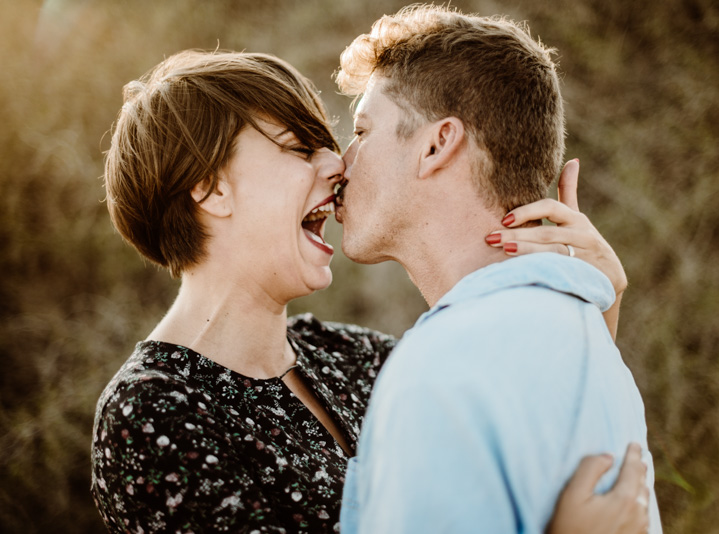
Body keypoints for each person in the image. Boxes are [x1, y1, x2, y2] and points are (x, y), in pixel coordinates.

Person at [91, 49, 647, 534]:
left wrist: (595, 307)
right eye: (297, 148)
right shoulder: (150, 411)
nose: (336, 164)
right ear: (212, 187)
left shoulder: (360, 356)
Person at [334, 5, 661, 533]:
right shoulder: (599, 356)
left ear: (437, 144)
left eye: (362, 131)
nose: (342, 164)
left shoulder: (442, 369)